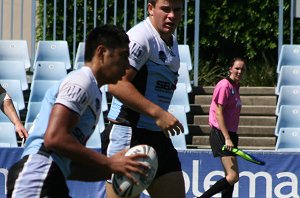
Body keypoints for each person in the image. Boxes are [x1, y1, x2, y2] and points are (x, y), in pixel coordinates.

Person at [6, 25, 150, 198]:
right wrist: (109, 162)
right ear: (102, 52)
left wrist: (114, 170)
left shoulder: (94, 93)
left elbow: (70, 168)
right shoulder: (81, 82)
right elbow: (54, 139)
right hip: (36, 176)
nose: (127, 65)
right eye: (123, 56)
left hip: (50, 177)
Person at [101, 0, 186, 197]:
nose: (172, 15)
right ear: (150, 9)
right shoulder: (140, 37)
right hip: (128, 133)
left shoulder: (170, 40)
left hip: (156, 136)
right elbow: (116, 84)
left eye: (177, 10)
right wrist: (157, 113)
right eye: (165, 9)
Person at [199, 58, 246, 198]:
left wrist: (231, 137)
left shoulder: (235, 87)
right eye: (237, 68)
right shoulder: (224, 85)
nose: (239, 71)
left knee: (230, 177)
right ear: (230, 69)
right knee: (233, 176)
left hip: (231, 134)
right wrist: (227, 138)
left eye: (242, 69)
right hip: (221, 134)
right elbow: (219, 113)